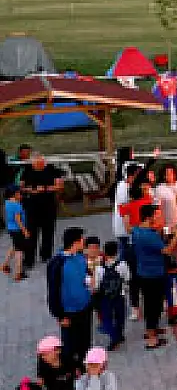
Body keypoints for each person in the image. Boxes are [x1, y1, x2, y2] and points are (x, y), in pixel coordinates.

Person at [131, 204, 177, 349]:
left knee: (151, 304)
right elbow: (166, 250)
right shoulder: (149, 235)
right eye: (157, 215)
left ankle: (152, 329)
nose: (160, 217)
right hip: (153, 274)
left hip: (145, 272)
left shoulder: (137, 230)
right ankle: (152, 338)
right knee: (153, 305)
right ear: (149, 217)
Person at [46, 227, 93, 366]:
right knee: (70, 345)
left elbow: (86, 274)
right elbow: (53, 291)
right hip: (69, 312)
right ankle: (70, 370)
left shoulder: (80, 257)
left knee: (85, 342)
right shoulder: (57, 264)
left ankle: (85, 367)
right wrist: (60, 315)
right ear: (75, 242)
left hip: (85, 307)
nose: (84, 241)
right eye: (82, 239)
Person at [19, 153, 63, 272]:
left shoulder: (52, 169)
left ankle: (46, 255)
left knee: (48, 231)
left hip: (48, 205)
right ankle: (29, 259)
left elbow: (59, 186)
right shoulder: (27, 170)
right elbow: (21, 187)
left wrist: (45, 188)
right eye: (36, 164)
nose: (39, 165)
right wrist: (32, 190)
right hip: (31, 206)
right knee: (31, 232)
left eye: (41, 163)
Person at [94, 241, 129, 351]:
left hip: (105, 297)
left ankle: (114, 337)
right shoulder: (122, 264)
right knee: (120, 316)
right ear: (116, 252)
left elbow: (96, 284)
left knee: (107, 318)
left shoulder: (100, 268)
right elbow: (127, 278)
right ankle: (119, 334)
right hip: (120, 294)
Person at [3, 186, 30, 280]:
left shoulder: (7, 202)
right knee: (19, 251)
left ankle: (5, 265)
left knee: (14, 247)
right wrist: (25, 230)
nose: (21, 195)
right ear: (14, 194)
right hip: (17, 230)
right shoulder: (17, 205)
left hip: (11, 229)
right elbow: (18, 220)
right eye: (19, 193)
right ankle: (19, 273)